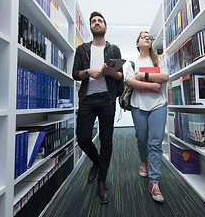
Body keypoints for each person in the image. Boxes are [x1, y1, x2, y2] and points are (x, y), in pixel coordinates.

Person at [72, 11, 124, 204]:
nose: (96, 23)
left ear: (105, 27)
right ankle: (97, 162)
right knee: (83, 138)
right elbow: (75, 74)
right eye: (93, 21)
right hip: (87, 98)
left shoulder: (114, 49)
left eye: (99, 21)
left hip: (106, 99)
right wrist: (88, 72)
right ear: (91, 27)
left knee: (106, 140)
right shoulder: (82, 49)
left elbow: (120, 78)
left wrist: (112, 72)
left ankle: (102, 181)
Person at [125, 31, 169, 202]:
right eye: (143, 36)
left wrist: (143, 76)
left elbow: (164, 77)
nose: (147, 38)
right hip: (138, 106)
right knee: (141, 138)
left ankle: (154, 181)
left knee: (155, 142)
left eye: (149, 37)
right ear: (137, 43)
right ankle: (144, 161)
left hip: (158, 105)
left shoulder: (159, 60)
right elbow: (129, 81)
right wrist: (151, 85)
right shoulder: (132, 63)